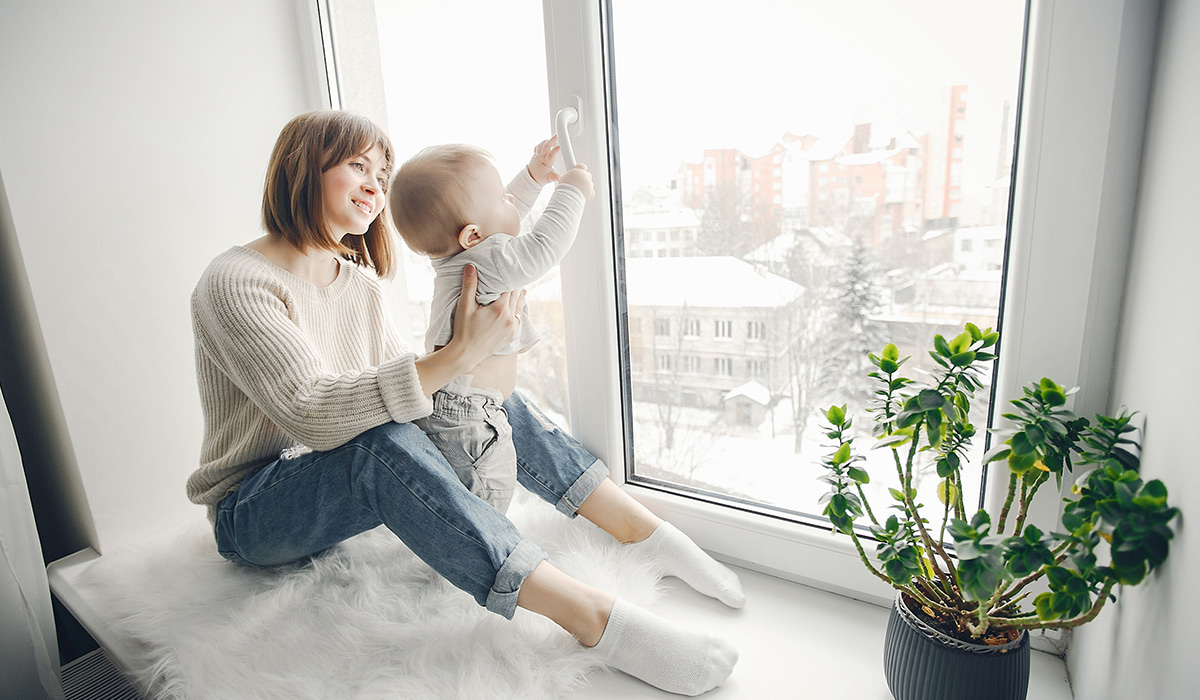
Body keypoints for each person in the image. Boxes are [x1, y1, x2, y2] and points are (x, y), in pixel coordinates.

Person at [188, 110, 742, 696]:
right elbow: (315, 414)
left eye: (383, 173)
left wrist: (465, 368)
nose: (375, 185)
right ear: (303, 167)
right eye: (358, 166)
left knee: (476, 398)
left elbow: (407, 391)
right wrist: (458, 353)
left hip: (333, 482)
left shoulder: (358, 283)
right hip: (255, 510)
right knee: (393, 432)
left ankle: (645, 532)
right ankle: (591, 617)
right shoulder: (237, 280)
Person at [388, 138, 591, 515]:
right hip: (471, 420)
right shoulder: (487, 260)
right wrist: (571, 191)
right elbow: (543, 247)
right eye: (502, 198)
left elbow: (494, 220)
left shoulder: (462, 253)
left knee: (474, 503)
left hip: (457, 408)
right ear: (472, 237)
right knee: (486, 505)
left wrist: (532, 178)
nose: (510, 199)